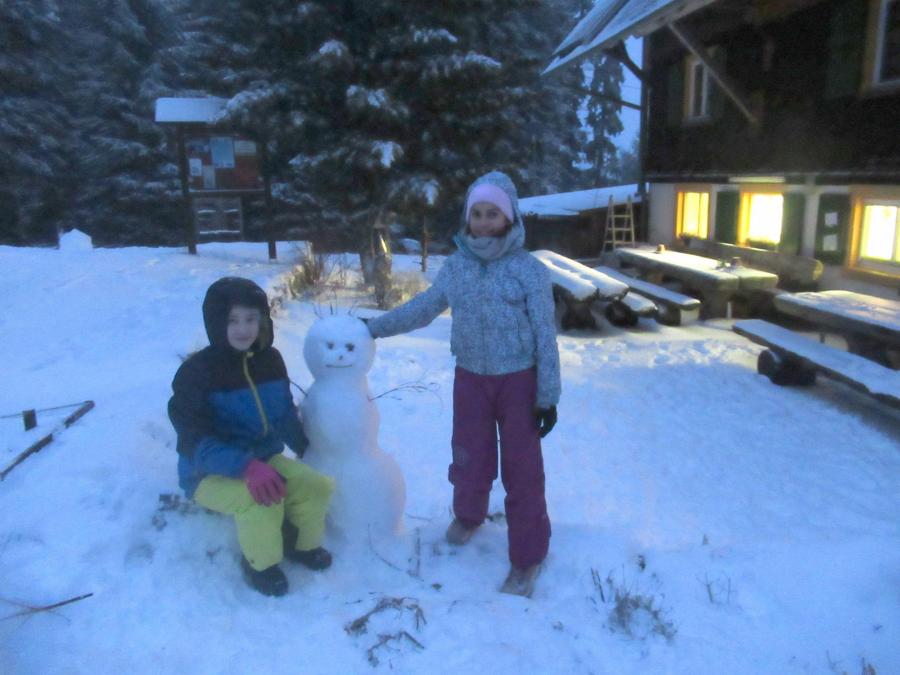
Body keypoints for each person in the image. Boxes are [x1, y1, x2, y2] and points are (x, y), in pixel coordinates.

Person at [366, 171, 561, 595]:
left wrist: (547, 396)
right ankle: (468, 514)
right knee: (469, 456)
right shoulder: (457, 268)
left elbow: (546, 334)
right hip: (471, 378)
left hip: (519, 383)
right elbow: (424, 308)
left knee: (522, 471)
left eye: (494, 213)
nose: (485, 221)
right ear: (467, 218)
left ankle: (527, 557)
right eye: (478, 213)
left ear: (509, 218)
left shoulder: (529, 271)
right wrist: (374, 328)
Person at [168, 276, 335, 597]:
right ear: (216, 323)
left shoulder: (269, 362)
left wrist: (306, 448)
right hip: (207, 472)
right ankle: (261, 564)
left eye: (250, 319)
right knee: (261, 500)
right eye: (232, 320)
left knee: (316, 485)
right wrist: (246, 467)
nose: (243, 329)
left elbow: (284, 413)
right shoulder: (197, 373)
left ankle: (302, 545)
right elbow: (195, 442)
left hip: (263, 459)